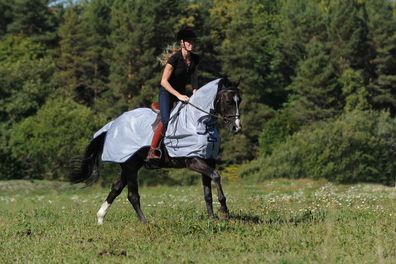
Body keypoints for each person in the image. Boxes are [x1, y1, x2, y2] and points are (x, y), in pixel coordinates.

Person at [145, 28, 200, 168]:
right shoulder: (174, 59)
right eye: (189, 41)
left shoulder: (195, 58)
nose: (191, 43)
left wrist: (195, 92)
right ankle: (152, 151)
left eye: (193, 41)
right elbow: (163, 81)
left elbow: (194, 78)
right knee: (166, 119)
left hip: (182, 94)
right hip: (167, 94)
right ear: (182, 43)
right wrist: (179, 95)